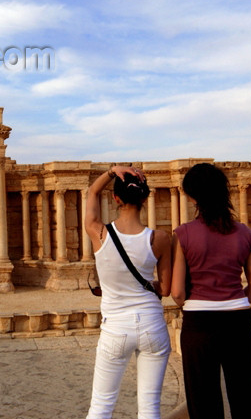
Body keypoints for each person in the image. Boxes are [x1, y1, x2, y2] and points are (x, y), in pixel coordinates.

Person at [171, 163, 251, 419]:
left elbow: (177, 292)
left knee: (203, 401)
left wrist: (195, 304)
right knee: (245, 396)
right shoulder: (246, 233)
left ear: (191, 196)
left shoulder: (183, 234)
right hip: (238, 320)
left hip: (199, 322)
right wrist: (234, 300)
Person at [85, 165, 172, 419]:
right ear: (145, 198)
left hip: (115, 328)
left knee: (101, 407)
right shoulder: (160, 238)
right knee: (149, 407)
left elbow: (91, 191)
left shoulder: (99, 233)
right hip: (152, 326)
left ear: (115, 199)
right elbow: (164, 289)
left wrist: (112, 171)